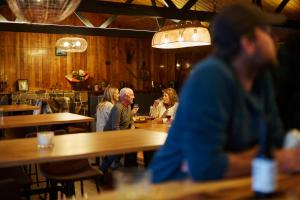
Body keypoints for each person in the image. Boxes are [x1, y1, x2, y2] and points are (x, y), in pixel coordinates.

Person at [150, 3, 300, 183]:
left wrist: (253, 157)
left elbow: (274, 142)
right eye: (267, 32)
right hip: (174, 188)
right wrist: (270, 159)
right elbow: (205, 166)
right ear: (248, 43)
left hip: (227, 186)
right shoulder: (210, 76)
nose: (275, 38)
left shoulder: (262, 78)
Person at [101, 87, 137, 172]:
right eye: (132, 95)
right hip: (111, 135)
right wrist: (123, 139)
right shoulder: (118, 108)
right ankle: (101, 172)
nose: (134, 97)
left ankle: (128, 170)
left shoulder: (128, 106)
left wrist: (132, 127)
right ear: (125, 96)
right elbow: (115, 127)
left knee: (133, 147)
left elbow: (131, 120)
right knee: (114, 154)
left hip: (121, 135)